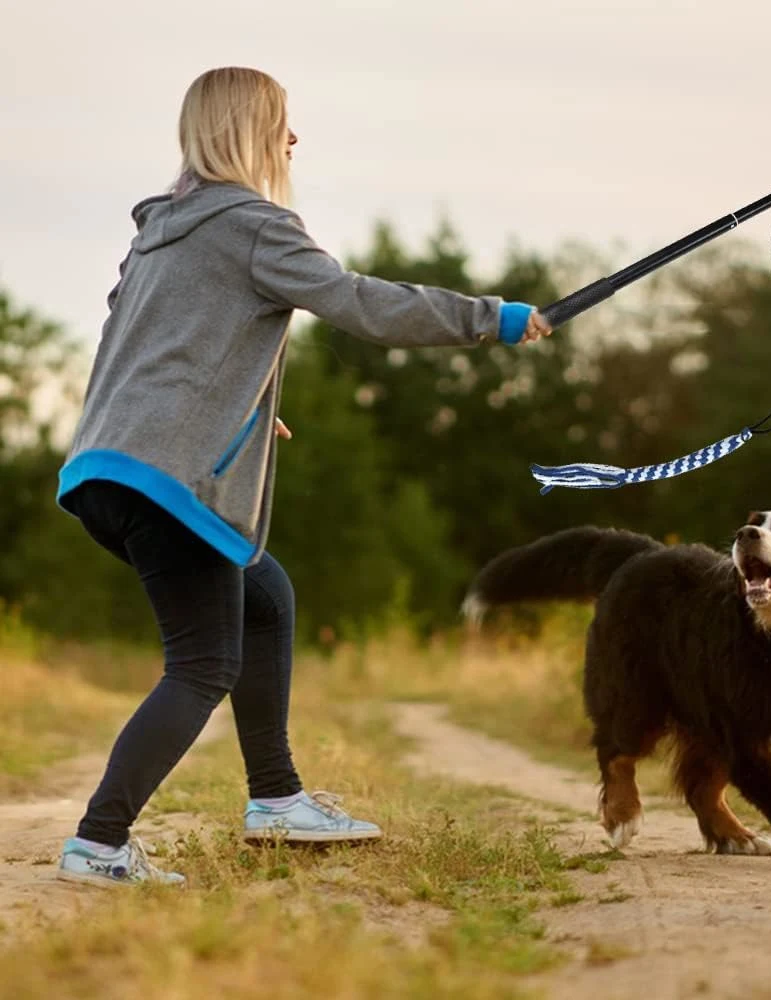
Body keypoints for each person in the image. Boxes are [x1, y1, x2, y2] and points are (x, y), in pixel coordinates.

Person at [55, 66, 552, 887]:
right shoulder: (253, 224)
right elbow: (359, 302)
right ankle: (99, 842)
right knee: (202, 665)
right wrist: (488, 319)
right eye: (282, 123)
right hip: (165, 478)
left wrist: (236, 412)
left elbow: (136, 347)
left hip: (106, 468)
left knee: (266, 597)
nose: (293, 140)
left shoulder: (159, 234)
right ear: (249, 131)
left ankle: (276, 799)